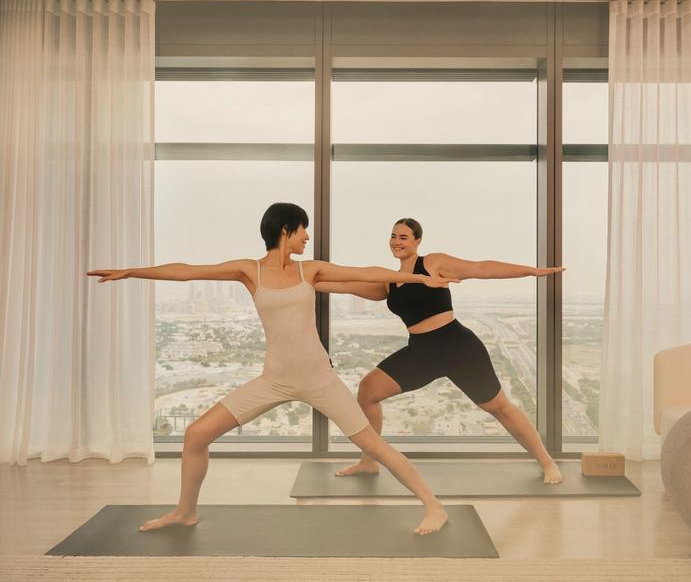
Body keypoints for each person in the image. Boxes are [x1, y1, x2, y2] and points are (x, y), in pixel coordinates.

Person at [87, 203, 457, 535]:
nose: (307, 236)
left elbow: (369, 272)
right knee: (196, 435)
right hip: (274, 380)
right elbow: (188, 271)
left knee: (373, 445)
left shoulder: (309, 270)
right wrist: (132, 271)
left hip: (319, 381)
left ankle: (434, 506)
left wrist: (421, 278)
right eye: (303, 230)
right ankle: (185, 513)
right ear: (285, 230)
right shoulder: (249, 271)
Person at [319, 217, 565, 484]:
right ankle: (368, 463)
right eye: (393, 236)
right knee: (368, 390)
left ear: (417, 241)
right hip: (420, 353)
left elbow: (481, 268)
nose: (396, 241)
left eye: (403, 237)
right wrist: (306, 280)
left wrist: (531, 271)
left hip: (458, 347)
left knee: (500, 408)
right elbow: (343, 285)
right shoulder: (389, 282)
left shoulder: (433, 263)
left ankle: (547, 462)